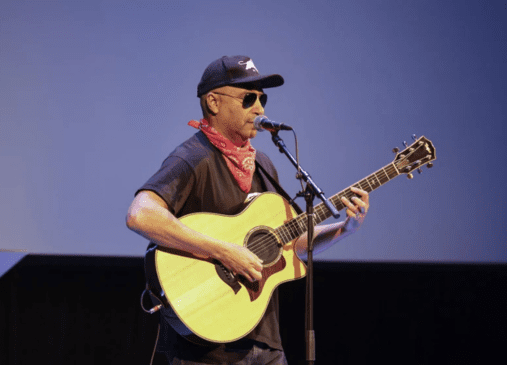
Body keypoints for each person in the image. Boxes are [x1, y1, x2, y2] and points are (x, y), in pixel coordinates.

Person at [126, 55, 370, 365]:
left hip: (264, 342)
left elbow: (293, 243)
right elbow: (140, 214)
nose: (260, 109)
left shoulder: (262, 164)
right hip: (205, 348)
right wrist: (224, 252)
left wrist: (343, 229)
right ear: (213, 102)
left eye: (262, 98)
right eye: (248, 98)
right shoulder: (193, 158)